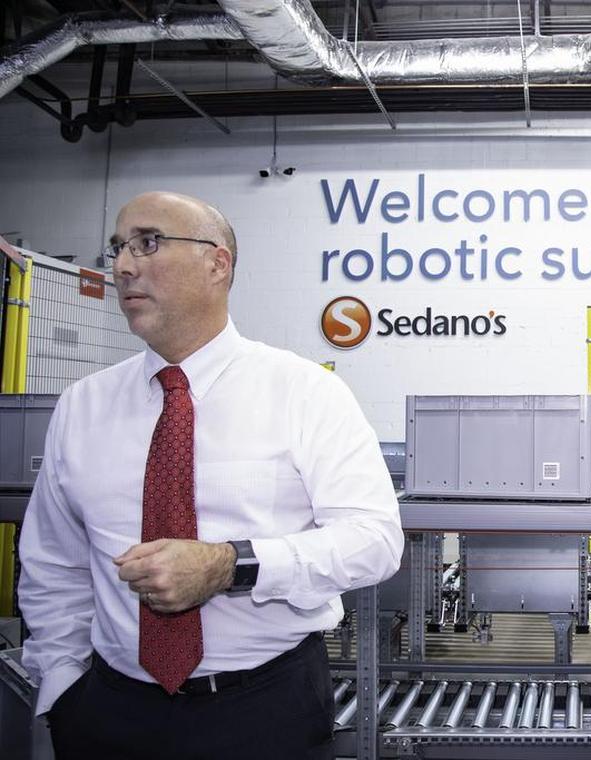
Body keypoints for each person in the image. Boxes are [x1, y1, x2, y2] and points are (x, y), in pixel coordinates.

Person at [18, 191, 404, 759]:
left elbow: (374, 541)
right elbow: (54, 562)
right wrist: (62, 686)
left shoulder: (305, 392)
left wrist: (231, 564)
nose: (123, 266)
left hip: (264, 712)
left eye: (148, 243)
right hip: (107, 711)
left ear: (217, 263)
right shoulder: (82, 406)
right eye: (118, 248)